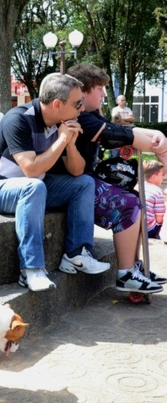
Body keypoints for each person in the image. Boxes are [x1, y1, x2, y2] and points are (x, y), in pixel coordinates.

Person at [0, 73, 110, 293]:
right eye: (77, 104)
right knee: (34, 186)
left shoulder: (60, 123)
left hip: (32, 187)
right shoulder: (18, 119)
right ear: (57, 104)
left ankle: (76, 254)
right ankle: (31, 269)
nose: (82, 109)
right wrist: (62, 139)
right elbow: (32, 170)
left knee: (84, 183)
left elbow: (77, 171)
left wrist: (70, 144)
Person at [67, 63, 167, 293]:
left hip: (85, 179)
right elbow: (119, 133)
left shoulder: (91, 115)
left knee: (135, 199)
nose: (104, 94)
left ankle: (134, 267)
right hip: (75, 185)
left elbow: (115, 128)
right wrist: (159, 142)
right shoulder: (80, 118)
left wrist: (157, 134)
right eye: (99, 88)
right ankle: (125, 273)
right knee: (127, 203)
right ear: (83, 91)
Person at [142, 159, 166, 239]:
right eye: (162, 175)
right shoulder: (158, 192)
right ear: (154, 177)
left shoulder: (137, 187)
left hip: (134, 227)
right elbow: (159, 219)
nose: (163, 177)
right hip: (148, 229)